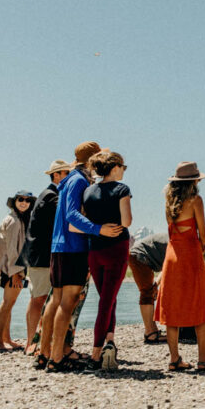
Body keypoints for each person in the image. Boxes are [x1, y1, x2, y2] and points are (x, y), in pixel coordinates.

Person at [43, 142, 123, 372]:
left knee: (56, 301)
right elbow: (72, 215)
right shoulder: (79, 180)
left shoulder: (67, 180)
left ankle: (45, 352)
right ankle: (57, 357)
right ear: (91, 160)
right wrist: (99, 229)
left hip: (59, 247)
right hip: (73, 247)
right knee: (68, 302)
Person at [155, 162, 205, 371]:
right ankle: (202, 358)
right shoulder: (196, 200)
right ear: (194, 181)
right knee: (200, 304)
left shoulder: (169, 202)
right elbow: (203, 234)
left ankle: (174, 359)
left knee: (172, 306)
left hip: (172, 256)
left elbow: (173, 232)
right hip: (190, 255)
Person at [83, 150, 133, 370]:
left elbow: (85, 218)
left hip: (94, 249)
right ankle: (95, 354)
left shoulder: (89, 190)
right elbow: (127, 221)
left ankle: (110, 342)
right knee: (106, 302)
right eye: (123, 167)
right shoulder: (122, 189)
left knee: (107, 297)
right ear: (115, 167)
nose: (124, 171)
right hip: (116, 248)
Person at [24, 159, 70, 355]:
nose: (68, 177)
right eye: (65, 173)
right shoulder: (51, 196)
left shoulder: (49, 194)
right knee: (39, 298)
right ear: (57, 175)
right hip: (41, 257)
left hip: (41, 256)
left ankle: (37, 341)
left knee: (41, 297)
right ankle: (32, 342)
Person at [0, 191, 34, 350]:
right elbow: (11, 249)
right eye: (20, 199)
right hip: (12, 268)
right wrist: (16, 273)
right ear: (15, 201)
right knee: (7, 303)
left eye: (27, 200)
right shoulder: (14, 221)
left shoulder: (19, 220)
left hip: (15, 267)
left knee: (9, 303)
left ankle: (6, 338)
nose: (24, 203)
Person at [129, 232, 169, 343]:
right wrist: (156, 285)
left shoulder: (178, 239)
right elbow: (168, 267)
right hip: (139, 256)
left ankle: (152, 330)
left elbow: (166, 266)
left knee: (149, 292)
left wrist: (156, 284)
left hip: (139, 256)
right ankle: (150, 333)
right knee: (147, 293)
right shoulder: (180, 245)